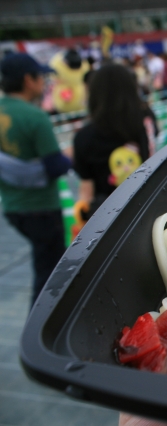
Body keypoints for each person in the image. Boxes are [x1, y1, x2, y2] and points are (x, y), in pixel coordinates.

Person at [0, 53, 71, 307]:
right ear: (28, 80)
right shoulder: (34, 117)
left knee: (45, 263)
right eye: (40, 76)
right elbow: (55, 167)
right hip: (41, 208)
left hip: (12, 206)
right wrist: (69, 157)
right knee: (49, 275)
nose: (43, 81)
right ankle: (36, 334)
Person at [73, 64, 150, 222]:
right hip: (144, 207)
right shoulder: (143, 125)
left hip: (104, 218)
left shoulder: (83, 137)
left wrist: (81, 214)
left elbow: (86, 190)